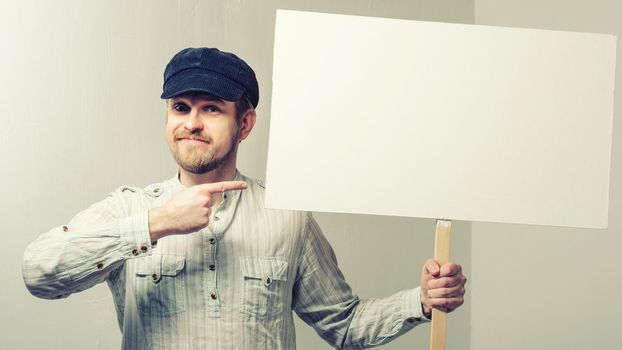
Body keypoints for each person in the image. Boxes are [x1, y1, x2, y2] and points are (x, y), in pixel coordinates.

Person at [22, 47, 467, 349]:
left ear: (245, 123)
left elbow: (345, 325)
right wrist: (155, 224)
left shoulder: (287, 217)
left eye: (211, 108)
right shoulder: (133, 208)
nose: (192, 123)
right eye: (180, 107)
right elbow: (39, 273)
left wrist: (422, 301)